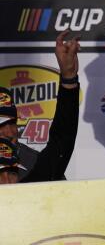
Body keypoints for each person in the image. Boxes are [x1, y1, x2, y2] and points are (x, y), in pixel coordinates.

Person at [0, 31, 80, 183]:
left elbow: (62, 140)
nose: (10, 132)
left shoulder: (33, 164)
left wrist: (69, 79)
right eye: (2, 124)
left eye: (12, 123)